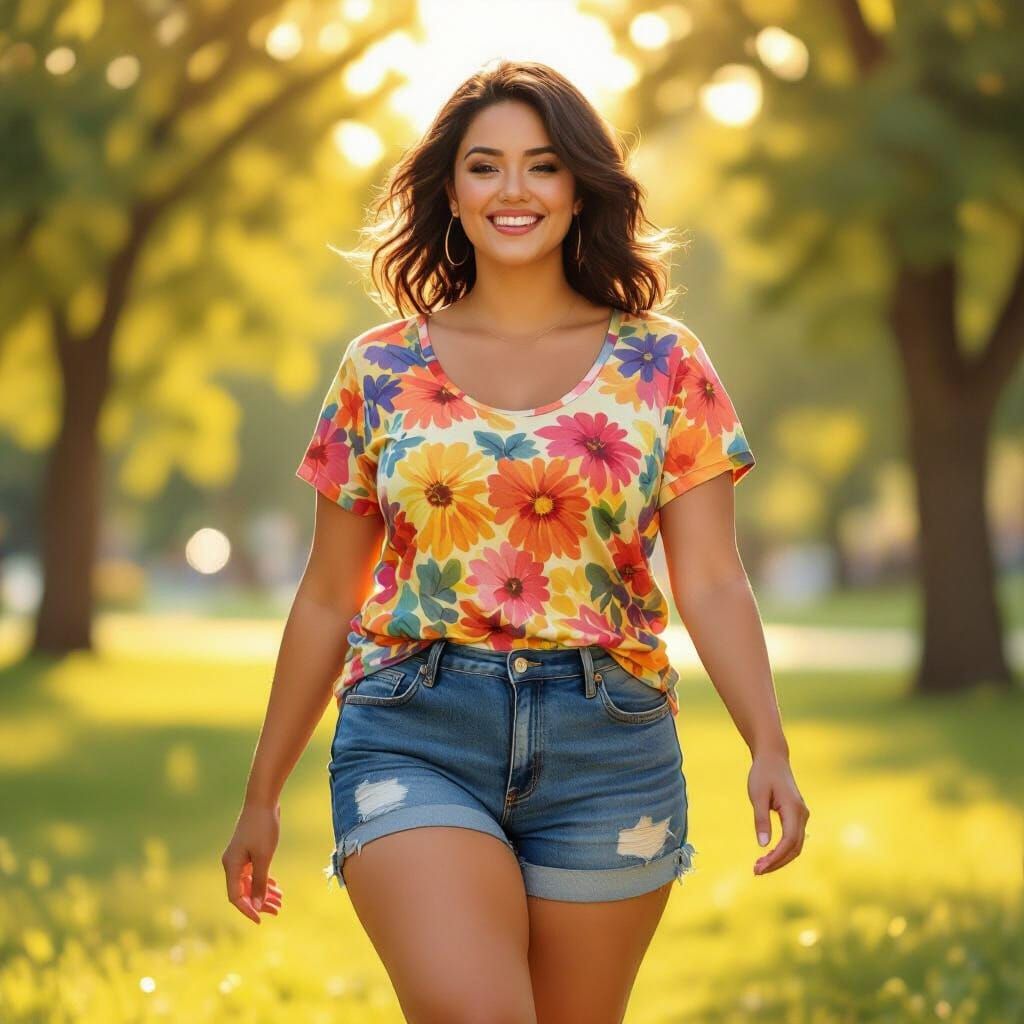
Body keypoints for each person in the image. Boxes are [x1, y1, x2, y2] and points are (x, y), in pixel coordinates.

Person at [221, 59, 809, 1023]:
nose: (514, 191)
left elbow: (710, 578)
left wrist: (768, 744)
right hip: (414, 728)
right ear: (450, 193)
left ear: (579, 187)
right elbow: (329, 592)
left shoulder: (665, 361)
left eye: (542, 166)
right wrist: (261, 795)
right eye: (485, 166)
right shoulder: (380, 368)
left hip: (610, 743)